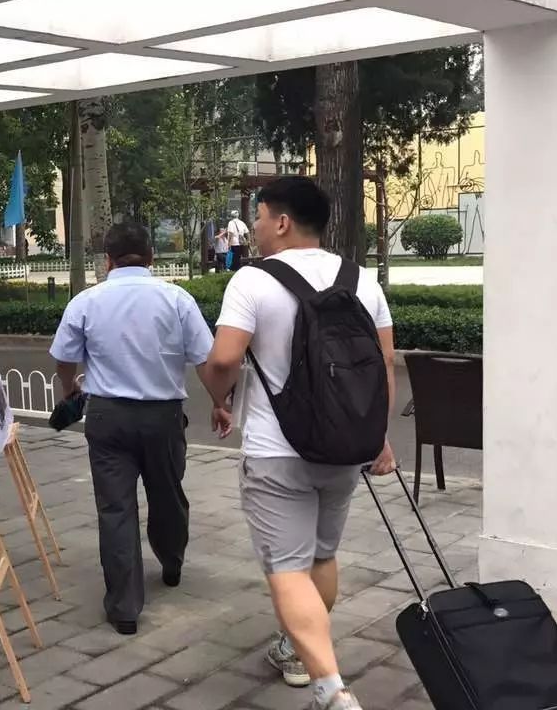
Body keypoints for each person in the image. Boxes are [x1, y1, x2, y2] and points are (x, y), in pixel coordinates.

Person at [200, 177, 396, 710]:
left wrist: (218, 396)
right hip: (345, 447)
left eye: (260, 216)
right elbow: (383, 366)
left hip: (276, 450)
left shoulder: (252, 280)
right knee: (322, 556)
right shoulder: (362, 281)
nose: (256, 226)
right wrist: (377, 437)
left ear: (282, 221)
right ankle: (294, 651)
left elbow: (223, 358)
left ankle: (330, 690)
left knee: (287, 568)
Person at [49, 220, 214, 636]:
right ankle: (172, 562)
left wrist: (70, 390)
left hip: (107, 418)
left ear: (107, 260)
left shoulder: (86, 302)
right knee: (168, 494)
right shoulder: (176, 299)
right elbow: (206, 358)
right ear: (151, 257)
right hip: (163, 417)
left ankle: (124, 608)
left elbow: (64, 358)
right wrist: (221, 403)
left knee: (115, 508)